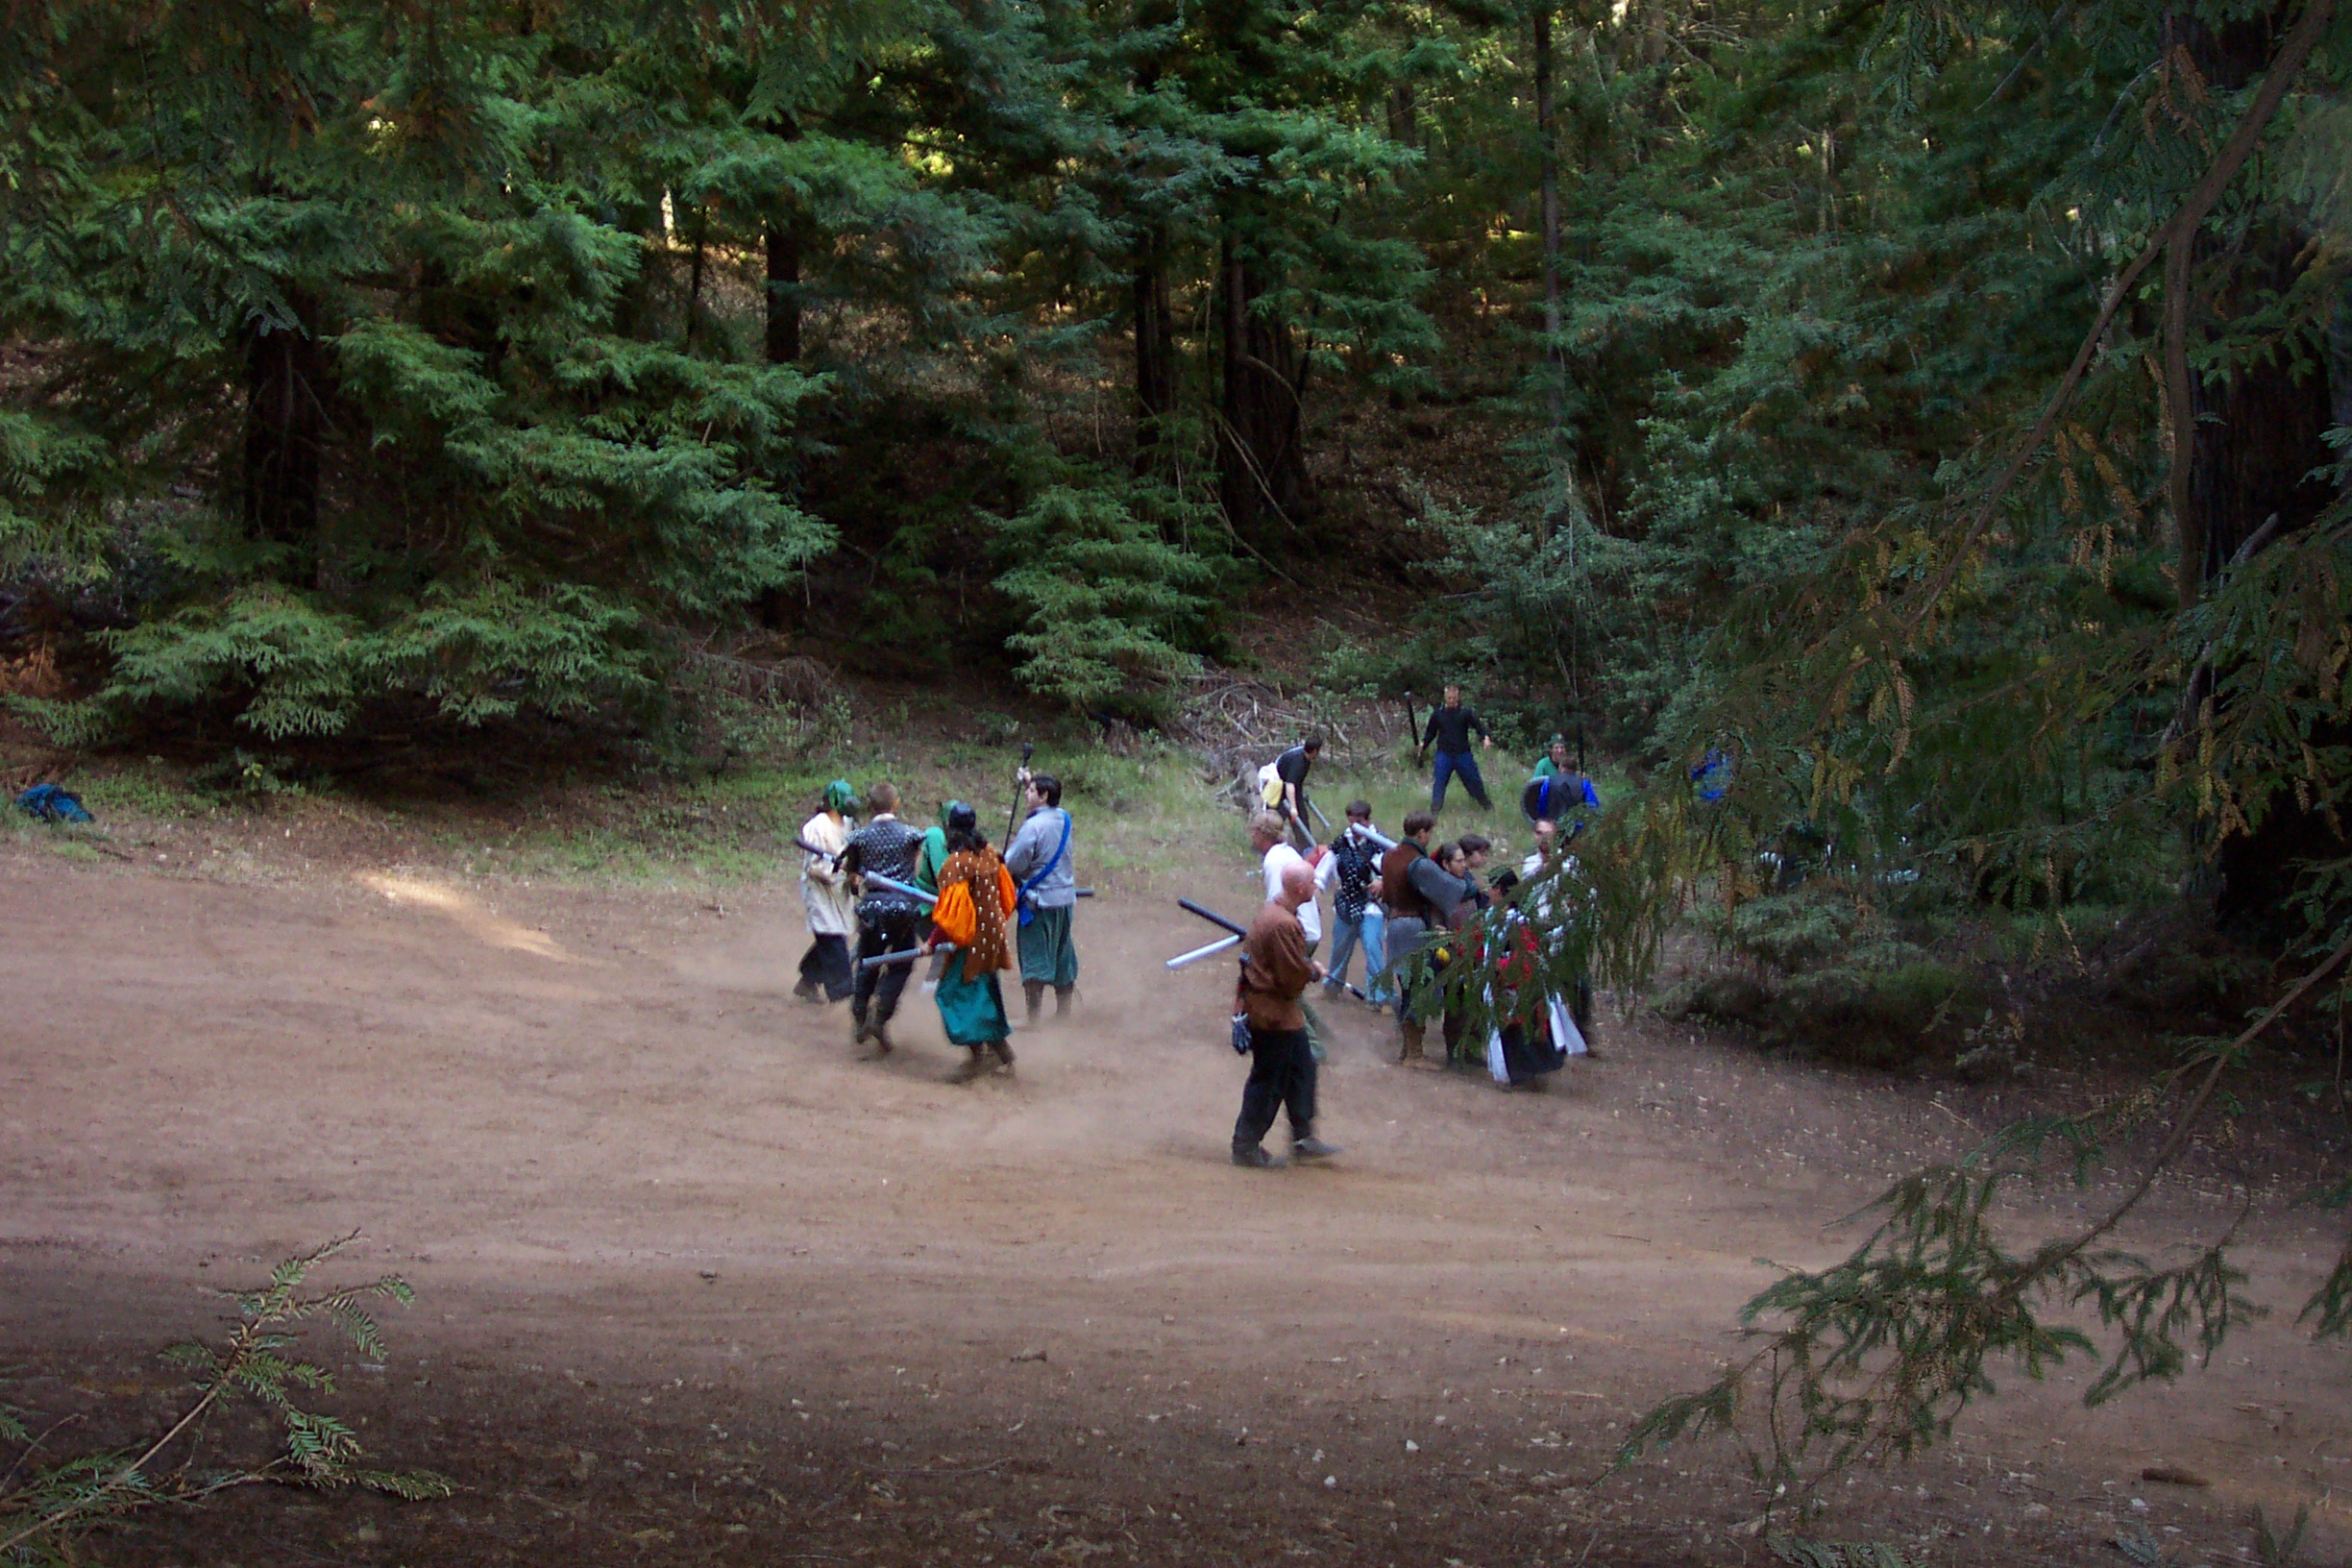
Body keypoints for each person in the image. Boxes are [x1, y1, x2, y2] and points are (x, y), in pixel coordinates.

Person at [1232, 859, 1343, 1168]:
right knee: (1269, 1080)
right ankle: (1245, 1146)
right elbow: (1290, 975)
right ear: (1299, 888)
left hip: (1282, 1012)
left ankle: (1303, 1137)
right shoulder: (1283, 923)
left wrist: (1304, 968)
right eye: (1312, 883)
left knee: (1302, 1068)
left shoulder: (1276, 915)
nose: (1316, 887)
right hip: (1272, 1013)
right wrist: (1312, 972)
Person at [923, 803, 1020, 1082]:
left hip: (971, 940)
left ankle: (979, 1056)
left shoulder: (956, 865)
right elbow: (1007, 897)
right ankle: (1002, 1053)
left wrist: (932, 942)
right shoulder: (989, 853)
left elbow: (952, 917)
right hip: (993, 935)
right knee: (983, 992)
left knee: (951, 994)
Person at [839, 781, 927, 1059]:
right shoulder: (911, 835)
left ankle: (860, 1015)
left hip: (873, 910)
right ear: (896, 804)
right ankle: (881, 1014)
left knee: (868, 962)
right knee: (901, 964)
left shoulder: (860, 838)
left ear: (870, 806)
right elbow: (917, 854)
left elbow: (853, 874)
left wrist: (856, 879)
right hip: (903, 909)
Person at [1379, 811, 1465, 1066]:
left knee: (1408, 986)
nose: (1430, 837)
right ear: (1422, 833)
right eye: (1429, 832)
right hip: (1413, 927)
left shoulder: (1389, 856)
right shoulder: (1419, 863)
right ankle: (1414, 1054)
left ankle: (1408, 1049)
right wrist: (1470, 886)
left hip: (1394, 925)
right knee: (1418, 987)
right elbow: (1448, 890)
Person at [1005, 770, 1079, 1025]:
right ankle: (1064, 1013)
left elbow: (1013, 862)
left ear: (1044, 796)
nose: (1026, 794)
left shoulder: (1033, 826)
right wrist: (1030, 780)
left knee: (1034, 958)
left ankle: (1033, 1019)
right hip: (1065, 900)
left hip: (1039, 903)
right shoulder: (1064, 818)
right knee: (1062, 955)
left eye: (1031, 791)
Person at [793, 780, 858, 1004]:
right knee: (832, 938)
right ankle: (842, 995)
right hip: (819, 890)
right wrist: (839, 870)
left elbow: (853, 853)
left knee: (834, 935)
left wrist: (853, 872)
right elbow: (815, 867)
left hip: (840, 890)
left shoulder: (849, 824)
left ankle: (808, 980)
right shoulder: (817, 826)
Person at [1321, 800, 1385, 1004]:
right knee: (1339, 950)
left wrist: (1383, 882)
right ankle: (1332, 987)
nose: (1355, 827)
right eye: (1351, 822)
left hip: (1371, 906)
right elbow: (1323, 871)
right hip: (1346, 904)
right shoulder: (1341, 843)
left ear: (1368, 820)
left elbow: (1394, 872)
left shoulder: (1381, 844)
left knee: (1373, 950)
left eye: (1359, 822)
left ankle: (1378, 997)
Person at [1250, 810, 1321, 956]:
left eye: (1254, 831)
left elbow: (1276, 901)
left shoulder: (1274, 860)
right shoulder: (1288, 852)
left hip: (1297, 933)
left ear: (1262, 834)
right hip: (1307, 930)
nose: (1252, 836)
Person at [1421, 684, 1494, 812]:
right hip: (1444, 754)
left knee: (1474, 780)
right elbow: (1430, 733)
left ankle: (1486, 805)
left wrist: (1486, 738)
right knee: (1439, 782)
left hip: (1462, 753)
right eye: (1449, 698)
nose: (1451, 701)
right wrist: (1423, 744)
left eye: (1453, 698)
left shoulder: (1465, 713)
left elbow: (1479, 727)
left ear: (1457, 698)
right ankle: (1435, 810)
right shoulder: (1438, 714)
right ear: (1445, 698)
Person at [1527, 734, 1601, 829]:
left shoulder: (1581, 782)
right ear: (1551, 749)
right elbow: (1594, 806)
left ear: (1561, 767)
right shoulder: (1543, 765)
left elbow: (1542, 806)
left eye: (1562, 747)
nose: (1560, 751)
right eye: (1556, 748)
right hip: (1563, 818)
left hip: (1558, 821)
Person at [1271, 735, 1322, 850]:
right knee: (1277, 820)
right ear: (1315, 751)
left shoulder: (1305, 757)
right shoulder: (1298, 762)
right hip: (1279, 790)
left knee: (1302, 819)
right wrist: (1293, 808)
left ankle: (1306, 848)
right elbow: (1290, 784)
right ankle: (1269, 846)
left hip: (1292, 789)